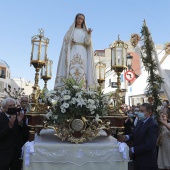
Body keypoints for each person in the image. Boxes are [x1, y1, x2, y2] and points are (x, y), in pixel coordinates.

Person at [54, 13, 97, 89]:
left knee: (82, 69)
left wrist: (89, 35)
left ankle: (82, 89)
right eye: (79, 18)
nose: (80, 20)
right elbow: (65, 40)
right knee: (72, 68)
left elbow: (87, 43)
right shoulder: (71, 31)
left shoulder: (85, 32)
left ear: (83, 21)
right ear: (76, 19)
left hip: (82, 51)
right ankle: (70, 88)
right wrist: (70, 43)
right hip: (73, 50)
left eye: (82, 19)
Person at [118, 103, 159, 170]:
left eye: (142, 111)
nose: (139, 113)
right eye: (139, 110)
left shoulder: (152, 125)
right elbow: (135, 134)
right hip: (137, 159)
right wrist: (126, 137)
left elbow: (150, 144)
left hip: (147, 161)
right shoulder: (140, 121)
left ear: (149, 113)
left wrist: (133, 149)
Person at [0, 97, 29, 170]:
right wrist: (9, 127)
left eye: (14, 105)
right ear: (5, 107)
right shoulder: (1, 117)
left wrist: (20, 123)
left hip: (16, 153)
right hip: (4, 153)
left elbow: (25, 134)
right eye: (10, 106)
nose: (13, 107)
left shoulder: (18, 116)